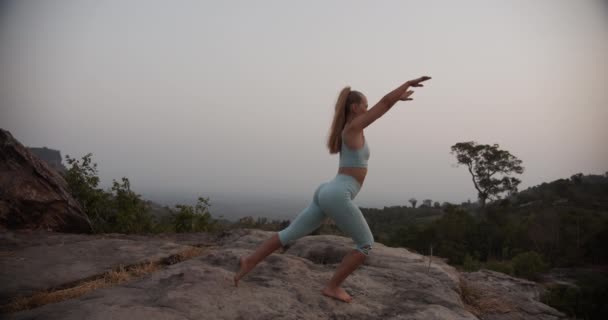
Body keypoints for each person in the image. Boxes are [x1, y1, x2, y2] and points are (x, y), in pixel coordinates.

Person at [233, 76, 432, 303]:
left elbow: (386, 104)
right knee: (365, 244)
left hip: (328, 190)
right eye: (365, 106)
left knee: (289, 234)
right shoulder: (353, 128)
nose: (368, 109)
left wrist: (398, 98)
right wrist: (406, 84)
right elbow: (385, 103)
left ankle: (249, 261)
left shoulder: (350, 129)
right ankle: (332, 286)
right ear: (355, 108)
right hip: (337, 194)